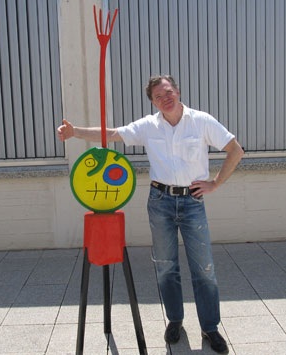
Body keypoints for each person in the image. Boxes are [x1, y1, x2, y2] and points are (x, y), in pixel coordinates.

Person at [58, 75, 244, 354]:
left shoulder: (201, 121)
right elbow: (111, 134)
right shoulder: (148, 126)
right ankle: (175, 321)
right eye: (158, 96)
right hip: (160, 202)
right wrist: (76, 133)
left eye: (168, 92)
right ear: (153, 102)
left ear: (177, 91)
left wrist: (215, 183)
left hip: (192, 202)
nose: (165, 98)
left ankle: (210, 327)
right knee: (166, 267)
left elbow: (235, 150)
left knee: (204, 270)